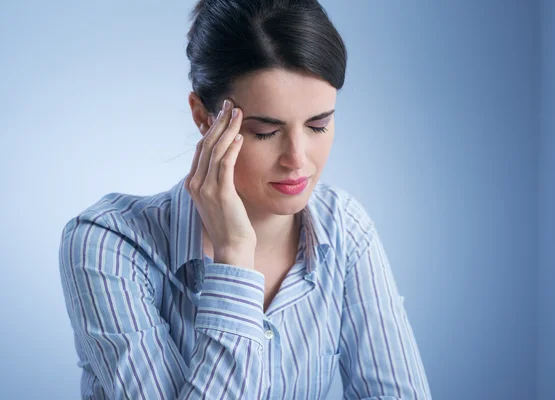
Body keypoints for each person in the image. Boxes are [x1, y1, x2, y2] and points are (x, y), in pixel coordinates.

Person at [58, 0, 432, 398]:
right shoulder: (109, 244)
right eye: (265, 132)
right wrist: (235, 256)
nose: (297, 159)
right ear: (204, 117)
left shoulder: (344, 228)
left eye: (318, 125)